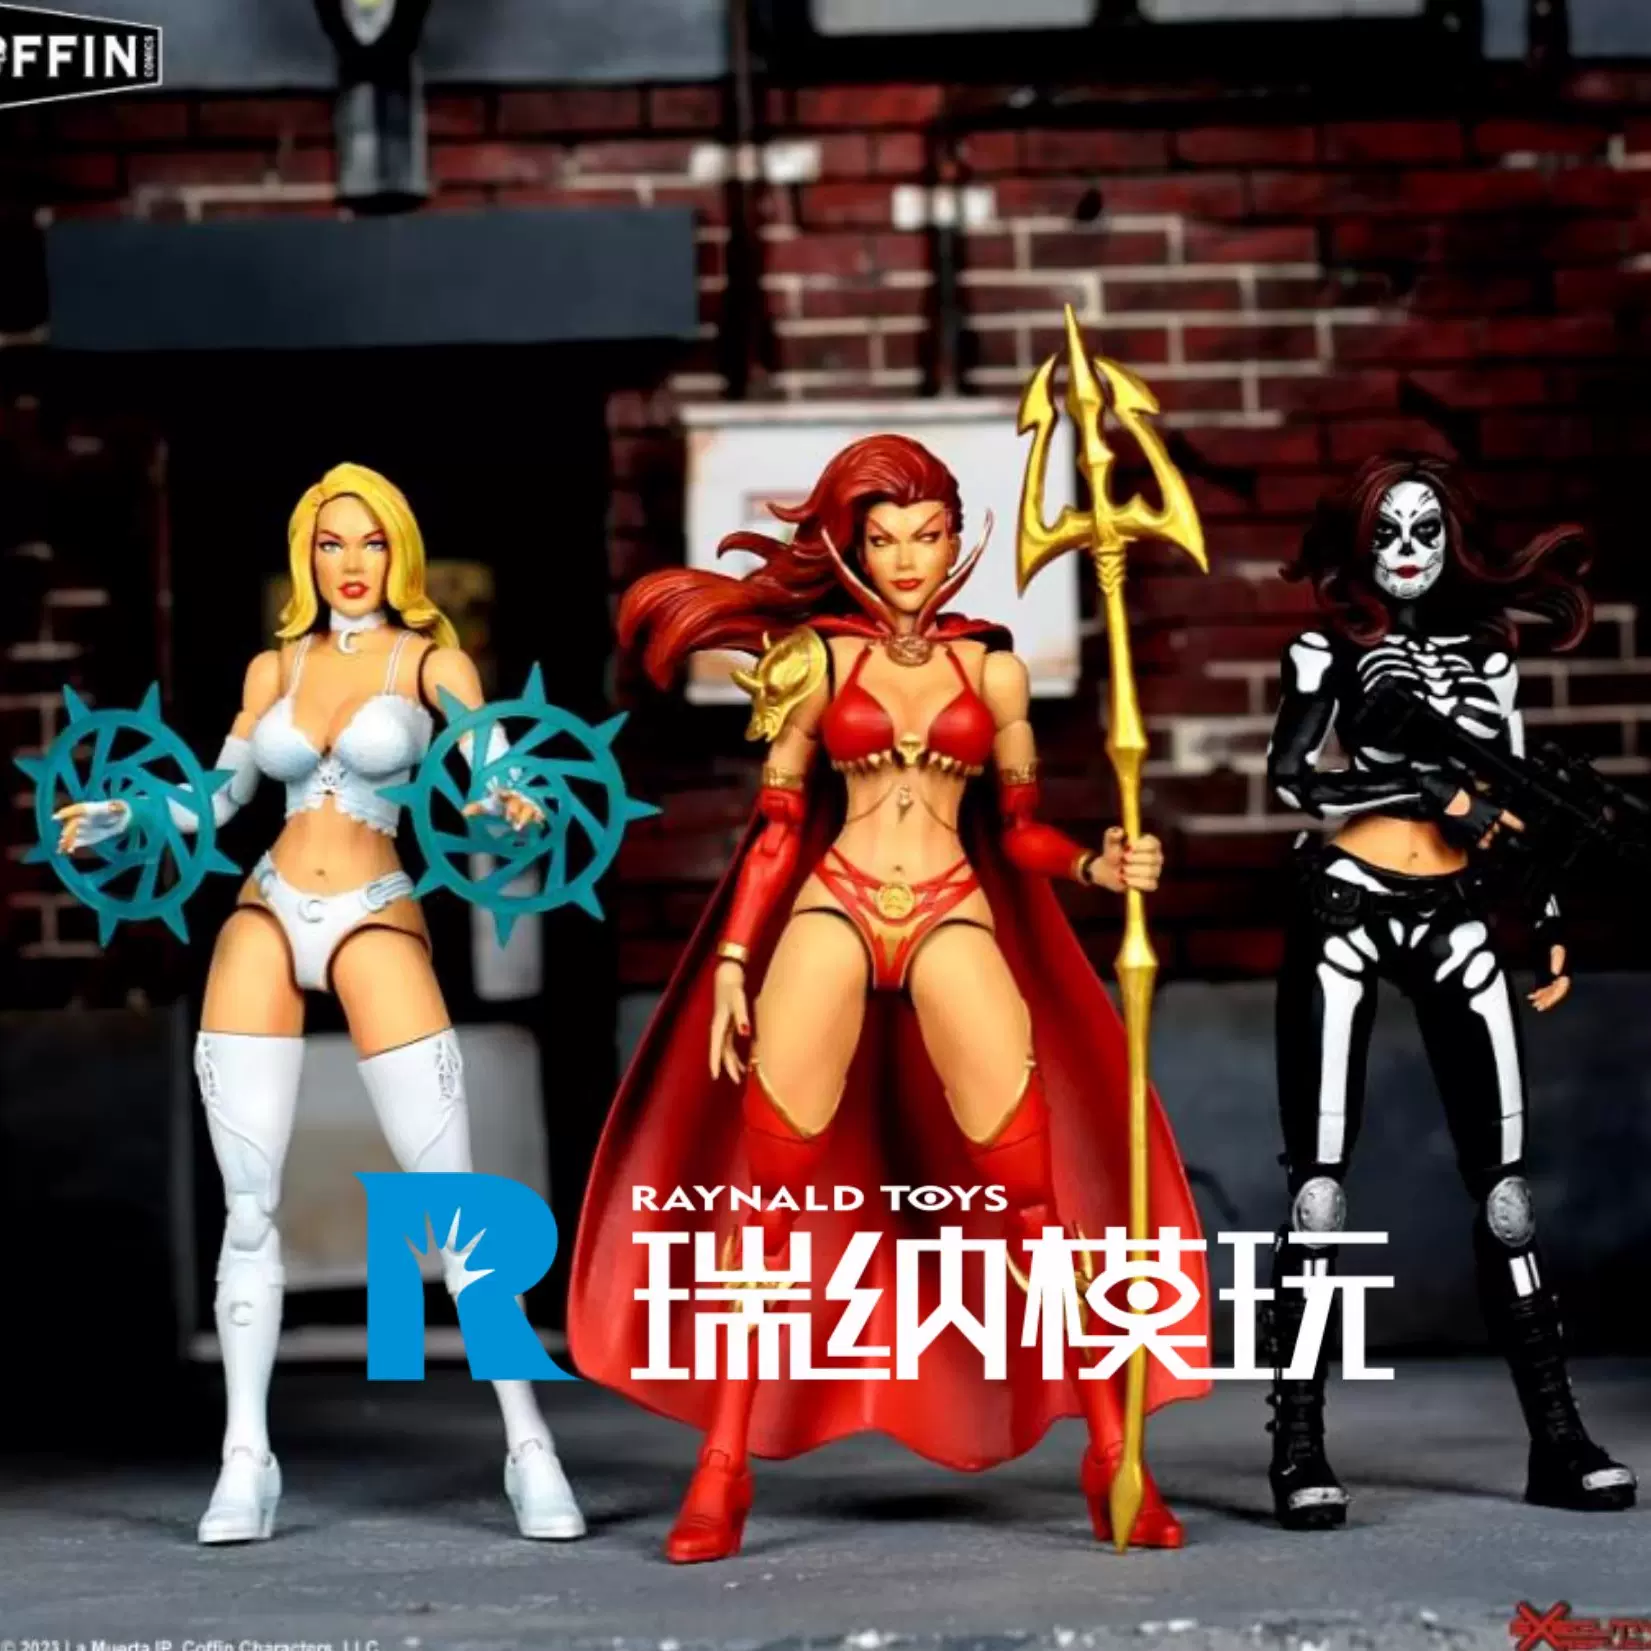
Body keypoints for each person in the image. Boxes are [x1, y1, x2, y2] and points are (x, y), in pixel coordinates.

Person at [569, 433, 1211, 1563]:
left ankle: (1114, 1453)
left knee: (1033, 1203)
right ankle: (721, 1467)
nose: (908, 558)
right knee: (766, 1207)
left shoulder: (991, 670)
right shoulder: (816, 662)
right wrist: (733, 960)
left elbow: (1018, 831)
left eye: (926, 534)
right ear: (851, 547)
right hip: (837, 902)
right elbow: (776, 831)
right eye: (884, 538)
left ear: (957, 539)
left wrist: (1094, 864)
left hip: (952, 904)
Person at [54, 463, 585, 1545]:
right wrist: (131, 816)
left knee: (451, 1196)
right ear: (306, 554)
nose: (351, 563)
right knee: (249, 1205)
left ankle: (528, 1442)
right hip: (267, 904)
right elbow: (217, 800)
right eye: (331, 542)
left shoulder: (431, 661)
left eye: (371, 542)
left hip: (375, 905)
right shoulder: (275, 666)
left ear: (401, 552)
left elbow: (491, 775)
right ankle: (245, 1457)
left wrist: (512, 803)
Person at [1262, 451, 1636, 1529]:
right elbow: (1293, 779)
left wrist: (1547, 921)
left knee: (1506, 1196)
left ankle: (1557, 1439)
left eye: (1426, 529)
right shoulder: (1325, 651)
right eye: (1386, 531)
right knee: (1318, 1193)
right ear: (1356, 542)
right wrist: (1417, 780)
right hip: (1344, 904)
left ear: (1453, 540)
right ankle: (1297, 1441)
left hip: (1457, 914)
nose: (1407, 549)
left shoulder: (1487, 657)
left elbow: (1513, 806)